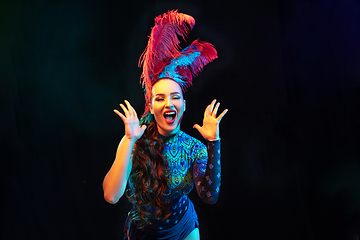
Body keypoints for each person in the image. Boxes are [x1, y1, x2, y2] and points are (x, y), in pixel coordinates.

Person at [103, 10, 228, 240]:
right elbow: (111, 195)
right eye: (160, 98)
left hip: (184, 228)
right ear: (151, 105)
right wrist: (129, 141)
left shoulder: (194, 148)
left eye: (175, 97)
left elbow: (209, 196)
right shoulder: (135, 138)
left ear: (184, 105)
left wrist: (213, 143)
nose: (168, 103)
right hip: (142, 233)